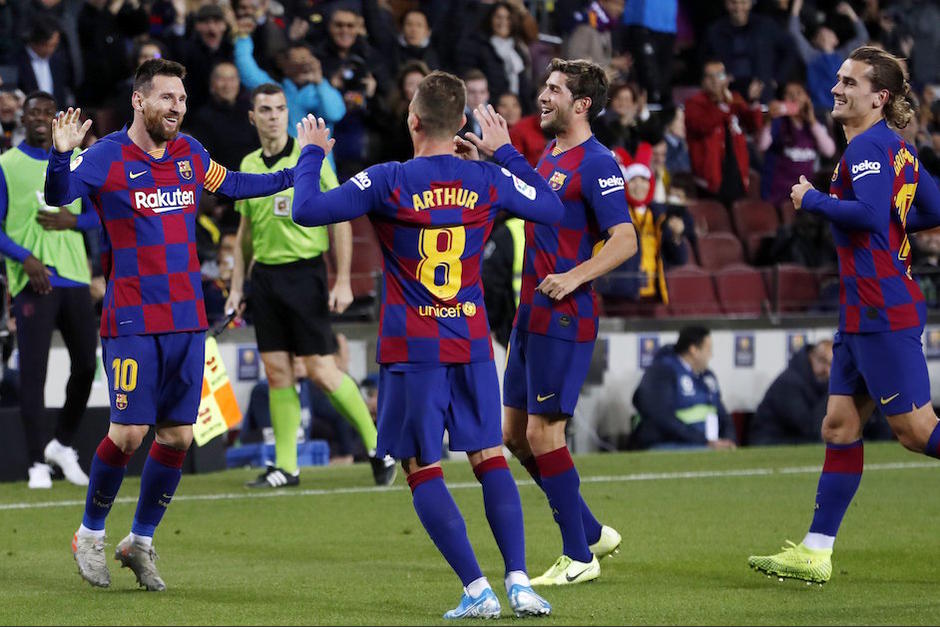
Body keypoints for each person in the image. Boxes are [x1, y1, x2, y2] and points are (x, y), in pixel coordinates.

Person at [291, 71, 563, 618]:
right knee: (489, 455)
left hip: (412, 347)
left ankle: (477, 589)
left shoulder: (387, 179)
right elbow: (552, 209)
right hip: (472, 343)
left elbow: (306, 210)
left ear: (412, 120)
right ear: (462, 122)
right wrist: (505, 153)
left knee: (420, 465)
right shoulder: (488, 179)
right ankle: (519, 581)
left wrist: (312, 154)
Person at [46, 58, 297, 591]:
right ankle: (89, 534)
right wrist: (61, 154)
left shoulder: (190, 153)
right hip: (132, 318)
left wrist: (294, 174)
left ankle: (139, 542)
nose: (177, 108)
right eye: (167, 97)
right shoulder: (107, 155)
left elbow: (233, 184)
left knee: (179, 436)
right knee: (128, 433)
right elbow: (58, 195)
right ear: (139, 101)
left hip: (187, 318)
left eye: (181, 99)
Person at [748, 46, 940, 585]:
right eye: (838, 79)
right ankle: (816, 551)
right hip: (862, 309)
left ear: (879, 97)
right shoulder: (895, 148)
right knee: (839, 425)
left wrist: (811, 200)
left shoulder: (868, 149)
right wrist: (896, 223)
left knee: (917, 432)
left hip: (881, 306)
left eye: (850, 82)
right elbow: (931, 207)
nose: (836, 88)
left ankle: (817, 549)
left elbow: (871, 216)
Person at [498, 58, 638, 587]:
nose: (543, 95)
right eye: (545, 85)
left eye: (555, 89)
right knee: (515, 435)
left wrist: (576, 275)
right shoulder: (551, 152)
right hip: (530, 312)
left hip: (564, 315)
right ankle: (592, 532)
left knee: (544, 433)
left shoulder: (598, 163)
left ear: (581, 105)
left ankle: (578, 556)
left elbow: (625, 239)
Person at [225, 82, 394, 489]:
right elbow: (246, 230)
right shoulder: (248, 163)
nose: (273, 116)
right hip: (265, 277)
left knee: (320, 370)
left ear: (288, 113)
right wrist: (236, 286)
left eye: (280, 109)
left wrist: (342, 280)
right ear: (252, 117)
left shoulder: (310, 158)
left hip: (305, 274)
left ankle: (379, 446)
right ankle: (287, 466)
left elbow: (340, 216)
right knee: (277, 373)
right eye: (265, 110)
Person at [0, 90, 98, 489]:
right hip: (33, 280)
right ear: (22, 119)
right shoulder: (6, 164)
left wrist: (73, 222)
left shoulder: (76, 160)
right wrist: (25, 258)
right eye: (33, 112)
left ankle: (62, 444)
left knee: (87, 365)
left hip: (75, 276)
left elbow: (100, 215)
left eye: (47, 112)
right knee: (34, 373)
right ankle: (36, 462)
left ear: (58, 118)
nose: (40, 117)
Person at [629, 326, 737, 450]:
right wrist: (704, 441)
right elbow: (662, 417)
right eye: (708, 350)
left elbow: (723, 414)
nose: (711, 355)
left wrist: (729, 439)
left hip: (704, 444)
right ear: (694, 350)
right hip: (668, 443)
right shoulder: (662, 371)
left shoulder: (708, 377)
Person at [685, 59, 763, 205]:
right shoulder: (694, 103)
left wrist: (752, 101)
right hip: (710, 180)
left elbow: (754, 126)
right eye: (710, 77)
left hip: (736, 174)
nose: (715, 81)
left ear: (727, 78)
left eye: (720, 75)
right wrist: (722, 105)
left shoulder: (734, 100)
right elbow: (702, 126)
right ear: (703, 81)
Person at [748, 340, 833, 446]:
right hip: (768, 441)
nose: (828, 371)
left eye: (832, 365)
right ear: (811, 356)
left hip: (793, 439)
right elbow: (810, 428)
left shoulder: (819, 382)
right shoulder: (789, 382)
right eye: (823, 361)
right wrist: (831, 390)